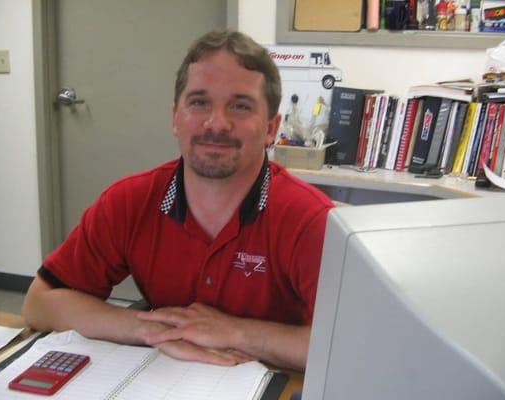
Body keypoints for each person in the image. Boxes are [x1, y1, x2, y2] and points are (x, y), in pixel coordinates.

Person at [22, 29, 333, 371]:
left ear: (272, 128)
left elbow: (356, 349)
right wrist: (151, 330)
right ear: (175, 117)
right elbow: (39, 303)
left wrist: (236, 332)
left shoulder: (312, 221)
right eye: (199, 102)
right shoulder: (128, 202)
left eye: (240, 106)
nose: (217, 123)